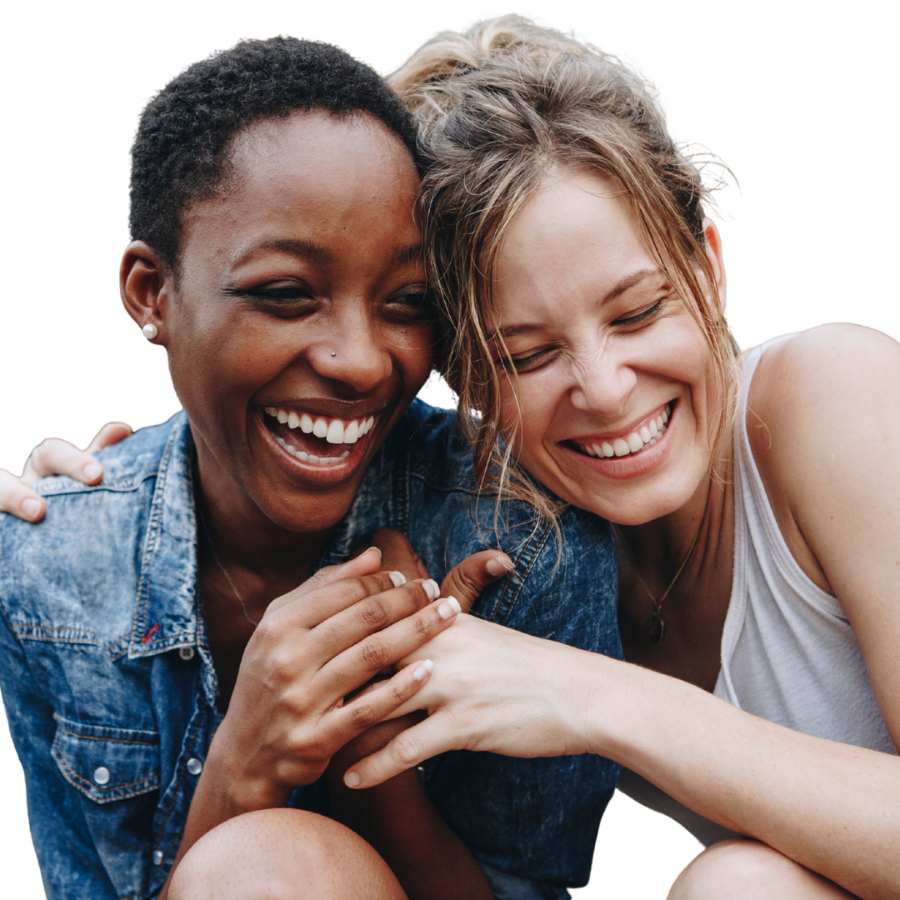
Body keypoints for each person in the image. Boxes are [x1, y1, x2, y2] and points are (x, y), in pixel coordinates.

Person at [0, 32, 624, 900]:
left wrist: (380, 756)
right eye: (288, 294)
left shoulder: (524, 544)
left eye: (408, 303)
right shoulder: (46, 570)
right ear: (153, 295)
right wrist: (242, 767)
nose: (363, 362)